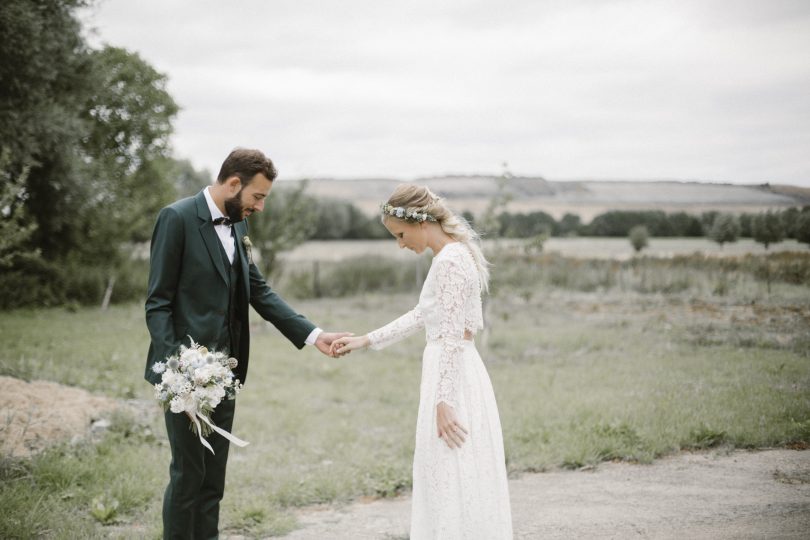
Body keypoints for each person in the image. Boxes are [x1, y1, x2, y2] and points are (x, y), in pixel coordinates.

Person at [144, 148, 349, 539]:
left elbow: (257, 290)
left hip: (226, 374)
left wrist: (314, 335)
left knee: (212, 481)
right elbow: (158, 303)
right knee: (188, 476)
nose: (261, 206)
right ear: (234, 184)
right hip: (184, 378)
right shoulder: (177, 218)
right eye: (258, 196)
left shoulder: (237, 223)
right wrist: (178, 369)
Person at [332, 184, 513, 539]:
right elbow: (422, 315)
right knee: (456, 470)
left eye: (400, 235)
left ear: (421, 222)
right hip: (457, 369)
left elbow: (449, 337)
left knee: (448, 468)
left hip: (452, 375)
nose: (401, 244)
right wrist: (365, 340)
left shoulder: (448, 261)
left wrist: (444, 400)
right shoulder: (455, 254)